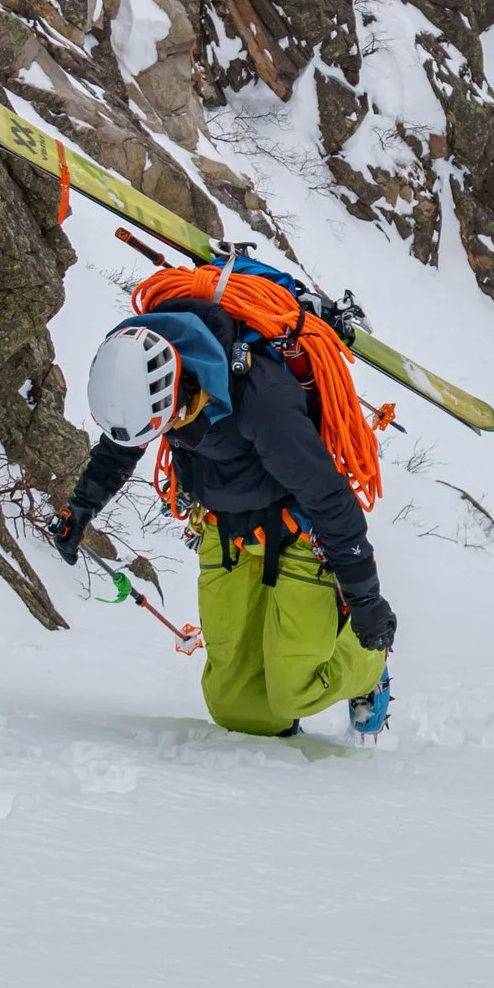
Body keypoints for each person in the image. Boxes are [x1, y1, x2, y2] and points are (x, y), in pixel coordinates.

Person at [49, 294, 396, 737]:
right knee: (237, 709)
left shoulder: (262, 401)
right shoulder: (143, 382)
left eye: (169, 423)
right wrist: (80, 509)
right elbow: (120, 447)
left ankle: (369, 663)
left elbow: (331, 499)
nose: (167, 435)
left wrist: (366, 601)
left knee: (294, 691)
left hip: (299, 533)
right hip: (227, 531)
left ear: (180, 389)